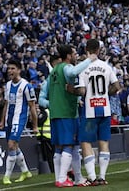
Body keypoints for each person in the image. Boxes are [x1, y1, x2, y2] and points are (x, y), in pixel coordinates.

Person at [48, 44, 97, 187]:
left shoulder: (54, 70)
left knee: (64, 147)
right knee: (69, 144)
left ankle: (76, 178)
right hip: (66, 112)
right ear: (69, 56)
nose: (76, 55)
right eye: (74, 53)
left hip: (56, 113)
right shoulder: (66, 67)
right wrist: (89, 60)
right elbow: (72, 72)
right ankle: (62, 179)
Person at [76, 39, 120, 186]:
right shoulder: (106, 66)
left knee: (86, 142)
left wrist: (72, 90)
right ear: (99, 50)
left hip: (90, 111)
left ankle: (92, 177)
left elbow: (82, 91)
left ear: (87, 50)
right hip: (105, 109)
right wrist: (106, 94)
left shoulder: (83, 68)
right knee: (104, 142)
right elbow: (117, 86)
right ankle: (102, 176)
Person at [0, 59, 38, 185]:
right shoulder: (8, 85)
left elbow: (32, 106)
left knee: (11, 144)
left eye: (13, 68)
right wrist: (2, 121)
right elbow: (6, 104)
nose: (10, 71)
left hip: (19, 119)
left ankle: (6, 176)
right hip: (9, 119)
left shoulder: (26, 86)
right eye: (9, 68)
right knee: (15, 146)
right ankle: (25, 171)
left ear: (19, 70)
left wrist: (35, 126)